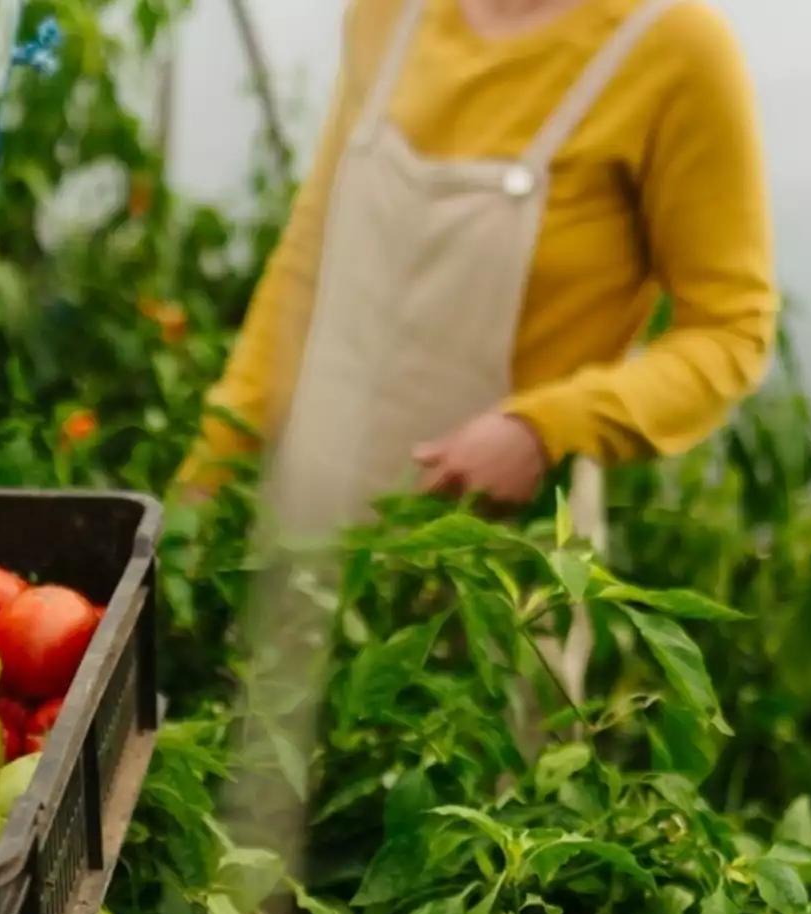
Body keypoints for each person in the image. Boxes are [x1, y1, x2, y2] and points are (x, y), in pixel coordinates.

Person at [177, 0, 777, 552]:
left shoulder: (673, 49)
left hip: (490, 571)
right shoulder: (389, 12)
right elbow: (309, 261)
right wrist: (211, 468)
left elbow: (731, 331)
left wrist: (546, 429)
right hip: (302, 532)